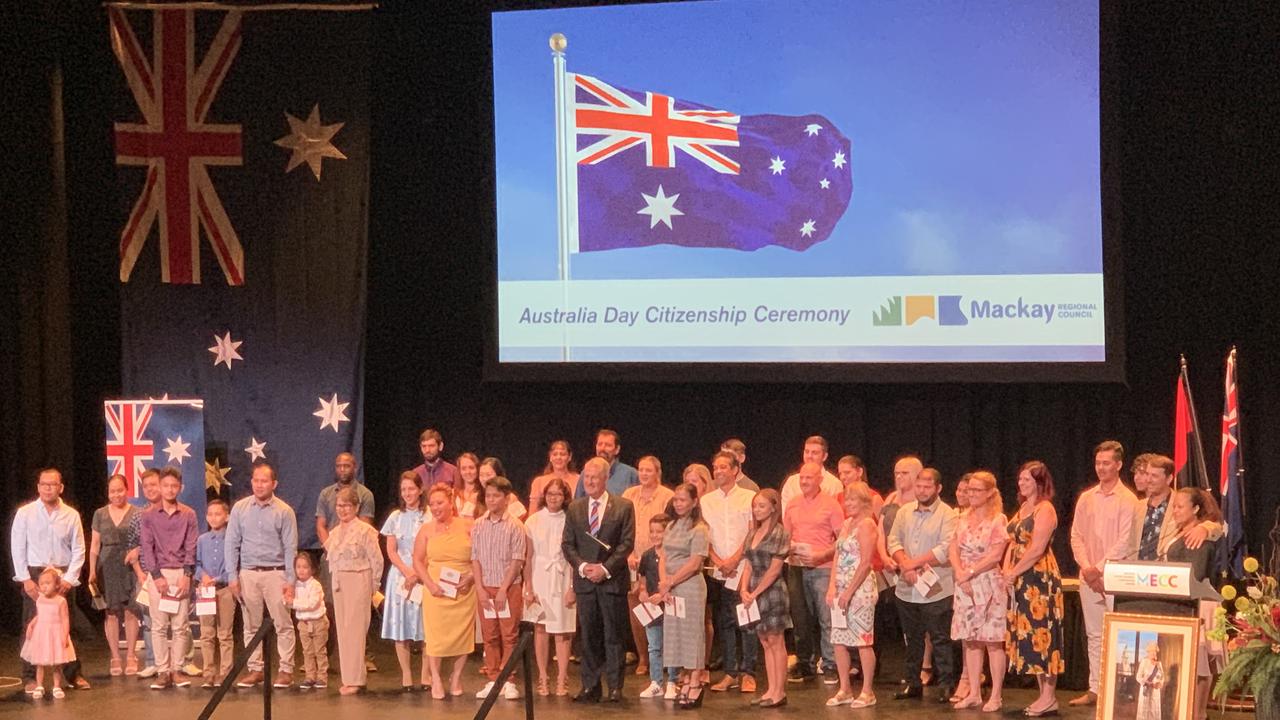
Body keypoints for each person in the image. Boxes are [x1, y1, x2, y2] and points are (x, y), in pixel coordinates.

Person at [1068, 440, 1138, 707]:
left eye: (1106, 463)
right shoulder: (1087, 498)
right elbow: (1076, 536)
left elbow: (1125, 542)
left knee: (1120, 633)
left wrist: (1098, 568)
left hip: (1115, 574)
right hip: (1088, 575)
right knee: (1094, 634)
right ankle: (1095, 688)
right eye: (1098, 463)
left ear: (1118, 465)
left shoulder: (1128, 499)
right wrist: (1087, 568)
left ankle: (1121, 690)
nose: (1101, 467)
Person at [562, 456, 636, 703]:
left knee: (613, 636)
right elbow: (568, 544)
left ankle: (615, 687)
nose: (590, 481)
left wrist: (604, 569)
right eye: (587, 476)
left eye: (595, 476)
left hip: (611, 581)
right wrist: (583, 567)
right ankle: (590, 686)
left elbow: (626, 544)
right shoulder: (575, 507)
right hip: (585, 583)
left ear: (606, 478)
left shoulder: (623, 506)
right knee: (589, 636)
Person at [11, 467, 89, 694]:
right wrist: (25, 579)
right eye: (44, 484)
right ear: (38, 487)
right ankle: (29, 677)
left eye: (53, 484)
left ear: (61, 487)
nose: (48, 488)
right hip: (36, 574)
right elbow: (17, 546)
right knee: (32, 626)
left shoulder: (71, 514)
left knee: (65, 624)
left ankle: (72, 674)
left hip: (62, 573)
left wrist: (70, 578)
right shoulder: (25, 513)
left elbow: (79, 549)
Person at [887, 467, 959, 703]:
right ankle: (912, 682)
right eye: (919, 486)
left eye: (927, 486)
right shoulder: (905, 511)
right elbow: (893, 540)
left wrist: (911, 564)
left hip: (937, 587)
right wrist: (904, 563)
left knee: (939, 637)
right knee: (912, 637)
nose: (922, 490)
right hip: (907, 587)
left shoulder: (948, 514)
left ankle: (946, 684)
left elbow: (944, 549)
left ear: (938, 488)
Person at [227, 461, 299, 689]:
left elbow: (290, 548)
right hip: (248, 573)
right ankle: (256, 668)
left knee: (283, 623)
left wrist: (290, 580)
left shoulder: (284, 511)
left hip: (275, 573)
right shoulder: (240, 508)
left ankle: (286, 670)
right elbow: (232, 543)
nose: (259, 485)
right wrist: (232, 575)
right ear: (251, 482)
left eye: (264, 481)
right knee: (250, 625)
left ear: (274, 483)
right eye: (256, 480)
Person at [1002, 460, 1065, 717]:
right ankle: (1043, 695)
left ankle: (1049, 696)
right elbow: (1012, 542)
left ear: (1040, 482)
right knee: (1030, 637)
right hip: (1020, 578)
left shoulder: (1045, 509)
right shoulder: (1023, 508)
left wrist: (1014, 572)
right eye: (1020, 479)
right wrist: (1007, 571)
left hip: (1039, 578)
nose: (1022, 483)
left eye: (1027, 479)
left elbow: (1037, 548)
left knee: (1044, 636)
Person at [947, 471, 1008, 711]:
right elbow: (953, 547)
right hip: (965, 585)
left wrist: (970, 571)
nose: (970, 494)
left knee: (992, 642)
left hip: (988, 583)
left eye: (976, 490)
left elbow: (995, 555)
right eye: (969, 490)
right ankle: (973, 691)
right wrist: (960, 572)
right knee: (971, 641)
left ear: (990, 493)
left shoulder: (998, 520)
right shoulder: (962, 518)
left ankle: (995, 695)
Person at [413, 483, 477, 700]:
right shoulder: (426, 530)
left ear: (451, 503)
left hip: (463, 589)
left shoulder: (469, 525)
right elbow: (417, 560)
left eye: (440, 502)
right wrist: (429, 584)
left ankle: (456, 677)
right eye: (432, 504)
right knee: (436, 637)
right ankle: (437, 679)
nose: (436, 507)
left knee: (462, 636)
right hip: (436, 591)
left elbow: (480, 557)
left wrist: (471, 577)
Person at [783, 461, 844, 684]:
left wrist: (821, 556)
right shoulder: (793, 504)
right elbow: (785, 535)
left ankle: (829, 664)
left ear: (820, 479)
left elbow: (842, 540)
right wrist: (788, 548)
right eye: (802, 478)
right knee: (800, 618)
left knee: (826, 618)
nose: (805, 481)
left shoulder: (831, 505)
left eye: (809, 477)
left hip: (823, 568)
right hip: (797, 567)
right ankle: (804, 663)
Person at [1164, 487, 1222, 720]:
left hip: (1198, 604)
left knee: (1199, 662)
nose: (1175, 511)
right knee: (1192, 661)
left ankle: (1198, 714)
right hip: (1182, 603)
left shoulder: (1199, 535)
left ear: (1196, 509)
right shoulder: (1180, 532)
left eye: (1180, 506)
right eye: (1174, 506)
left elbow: (1195, 576)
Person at [703, 450, 758, 693]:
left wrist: (735, 559)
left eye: (724, 467)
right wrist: (717, 560)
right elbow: (704, 534)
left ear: (735, 469)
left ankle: (748, 672)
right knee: (724, 622)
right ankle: (730, 672)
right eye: (716, 467)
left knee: (746, 622)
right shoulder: (707, 500)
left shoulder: (749, 497)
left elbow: (752, 532)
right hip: (718, 571)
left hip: (743, 568)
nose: (719, 471)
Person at [140, 466, 198, 690]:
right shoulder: (148, 516)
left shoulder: (188, 514)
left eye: (174, 486)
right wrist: (156, 576)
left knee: (181, 624)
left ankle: (177, 669)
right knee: (159, 625)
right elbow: (147, 546)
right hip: (159, 574)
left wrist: (187, 574)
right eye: (166, 485)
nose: (170, 489)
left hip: (181, 573)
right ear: (160, 487)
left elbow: (191, 546)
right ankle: (163, 671)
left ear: (180, 487)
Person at [471, 476, 527, 700]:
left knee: (509, 635)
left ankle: (508, 679)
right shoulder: (478, 524)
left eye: (496, 496)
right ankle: (493, 678)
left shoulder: (515, 525)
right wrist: (481, 589)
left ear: (507, 498)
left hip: (508, 588)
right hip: (486, 588)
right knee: (490, 635)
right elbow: (474, 558)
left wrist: (503, 589)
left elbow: (517, 560)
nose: (491, 500)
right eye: (488, 495)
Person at [826, 482, 880, 708]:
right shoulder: (847, 523)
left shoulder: (867, 524)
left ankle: (867, 691)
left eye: (853, 500)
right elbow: (838, 556)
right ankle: (845, 688)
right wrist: (832, 586)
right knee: (839, 641)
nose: (848, 504)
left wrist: (849, 591)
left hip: (861, 590)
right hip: (841, 588)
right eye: (846, 500)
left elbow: (866, 562)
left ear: (864, 502)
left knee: (862, 641)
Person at [324, 486, 383, 695]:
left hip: (359, 579)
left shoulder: (365, 531)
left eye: (347, 505)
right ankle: (348, 677)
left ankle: (357, 679)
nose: (343, 509)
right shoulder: (335, 532)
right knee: (343, 630)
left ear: (356, 507)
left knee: (356, 630)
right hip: (340, 581)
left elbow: (377, 560)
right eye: (339, 505)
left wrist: (373, 587)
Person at [658, 482, 711, 709]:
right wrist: (663, 583)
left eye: (683, 500)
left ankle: (696, 681)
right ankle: (685, 677)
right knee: (676, 634)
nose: (678, 504)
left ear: (694, 502)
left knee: (692, 634)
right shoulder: (671, 525)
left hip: (689, 586)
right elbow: (663, 556)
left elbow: (695, 562)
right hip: (671, 589)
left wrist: (671, 580)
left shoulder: (699, 529)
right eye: (676, 500)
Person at [524, 477, 576, 697]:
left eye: (559, 494)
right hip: (540, 577)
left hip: (564, 576)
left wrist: (573, 587)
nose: (554, 498)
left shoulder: (572, 519)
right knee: (541, 628)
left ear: (565, 497)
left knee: (563, 630)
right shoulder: (533, 521)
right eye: (550, 493)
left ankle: (562, 677)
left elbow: (575, 556)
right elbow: (528, 558)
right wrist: (528, 587)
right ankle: (543, 676)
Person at [623, 455, 674, 680]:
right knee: (637, 605)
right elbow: (622, 527)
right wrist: (628, 554)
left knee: (662, 609)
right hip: (633, 559)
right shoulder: (628, 495)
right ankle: (644, 656)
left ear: (657, 473)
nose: (644, 474)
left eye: (649, 470)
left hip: (660, 559)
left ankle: (665, 658)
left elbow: (670, 529)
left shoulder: (667, 496)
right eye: (641, 470)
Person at [739, 489, 790, 708]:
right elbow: (748, 563)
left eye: (761, 506)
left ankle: (779, 691)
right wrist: (743, 589)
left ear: (773, 507)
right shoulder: (752, 533)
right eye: (755, 506)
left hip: (772, 592)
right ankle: (770, 688)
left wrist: (756, 592)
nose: (757, 510)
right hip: (753, 593)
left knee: (776, 641)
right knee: (765, 641)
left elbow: (774, 570)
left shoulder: (779, 533)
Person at [88, 474, 142, 677]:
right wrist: (92, 570)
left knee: (131, 610)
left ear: (127, 490)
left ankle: (130, 655)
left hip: (130, 564)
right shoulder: (100, 514)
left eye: (120, 490)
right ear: (108, 493)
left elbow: (143, 540)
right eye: (112, 491)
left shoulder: (138, 512)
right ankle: (115, 657)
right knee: (110, 612)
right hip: (107, 565)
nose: (116, 494)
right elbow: (94, 545)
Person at [381, 471, 429, 690]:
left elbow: (432, 546)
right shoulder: (395, 517)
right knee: (402, 627)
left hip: (424, 574)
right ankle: (407, 675)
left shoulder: (428, 515)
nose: (407, 493)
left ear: (420, 489)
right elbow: (391, 550)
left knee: (426, 627)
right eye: (404, 490)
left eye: (411, 488)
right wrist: (407, 571)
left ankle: (426, 675)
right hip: (400, 577)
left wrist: (418, 573)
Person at [1130, 455, 1222, 562]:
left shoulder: (1180, 502)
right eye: (1147, 474)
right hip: (1138, 571)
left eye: (1154, 476)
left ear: (1169, 479)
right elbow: (1131, 544)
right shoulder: (1138, 506)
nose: (1148, 480)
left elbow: (1217, 525)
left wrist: (1204, 529)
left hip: (1166, 573)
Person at [634, 514, 679, 700]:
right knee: (654, 646)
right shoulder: (646, 555)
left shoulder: (674, 556)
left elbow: (676, 580)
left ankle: (672, 681)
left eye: (659, 531)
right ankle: (656, 682)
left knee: (672, 645)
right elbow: (642, 580)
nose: (655, 535)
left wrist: (662, 596)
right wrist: (643, 592)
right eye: (651, 531)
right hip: (652, 609)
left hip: (669, 604)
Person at [195, 499, 235, 689]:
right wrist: (202, 576)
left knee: (225, 633)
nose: (213, 518)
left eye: (218, 514)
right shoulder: (202, 540)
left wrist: (217, 578)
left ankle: (226, 672)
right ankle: (209, 672)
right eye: (210, 514)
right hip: (206, 591)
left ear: (226, 516)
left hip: (225, 590)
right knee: (207, 633)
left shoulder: (232, 539)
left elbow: (234, 567)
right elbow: (196, 564)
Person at [22, 567, 75, 700]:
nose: (44, 587)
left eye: (48, 583)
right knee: (40, 662)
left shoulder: (60, 601)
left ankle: (56, 685)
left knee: (57, 662)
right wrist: (31, 625)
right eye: (41, 584)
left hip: (55, 633)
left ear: (57, 584)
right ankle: (39, 685)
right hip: (42, 633)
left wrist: (65, 635)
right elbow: (39, 615)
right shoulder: (40, 600)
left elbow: (65, 618)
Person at [315, 452, 375, 546]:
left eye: (346, 466)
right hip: (330, 552)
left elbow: (365, 528)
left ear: (355, 468)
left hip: (355, 552)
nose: (342, 469)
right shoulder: (325, 494)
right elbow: (320, 526)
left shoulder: (365, 494)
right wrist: (331, 549)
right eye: (339, 466)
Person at [291, 553, 329, 690]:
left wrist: (294, 602)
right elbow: (288, 601)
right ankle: (310, 676)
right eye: (298, 567)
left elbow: (312, 604)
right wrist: (288, 600)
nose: (301, 570)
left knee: (319, 651)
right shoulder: (295, 585)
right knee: (307, 652)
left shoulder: (315, 585)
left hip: (318, 622)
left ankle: (322, 677)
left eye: (305, 567)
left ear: (312, 569)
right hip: (303, 623)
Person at [574, 428, 640, 498]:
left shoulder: (630, 474)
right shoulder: (586, 473)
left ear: (617, 449)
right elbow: (577, 503)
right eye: (600, 444)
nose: (602, 448)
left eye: (608, 445)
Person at [528, 440, 580, 513]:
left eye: (562, 454)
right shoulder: (539, 482)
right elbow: (532, 514)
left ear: (570, 457)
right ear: (550, 457)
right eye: (555, 454)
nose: (558, 457)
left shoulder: (579, 480)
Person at [1135, 643, 1163, 720]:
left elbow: (1162, 677)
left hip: (1155, 692)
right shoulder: (1144, 662)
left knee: (1153, 712)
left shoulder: (1159, 664)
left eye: (1155, 651)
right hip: (1146, 690)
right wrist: (1146, 682)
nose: (1153, 653)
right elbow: (1138, 677)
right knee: (1144, 712)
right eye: (1151, 651)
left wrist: (1160, 683)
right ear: (1148, 652)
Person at [455, 452, 483, 518]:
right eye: (464, 468)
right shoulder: (454, 494)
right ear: (459, 471)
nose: (468, 472)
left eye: (471, 468)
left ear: (477, 469)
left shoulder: (483, 494)